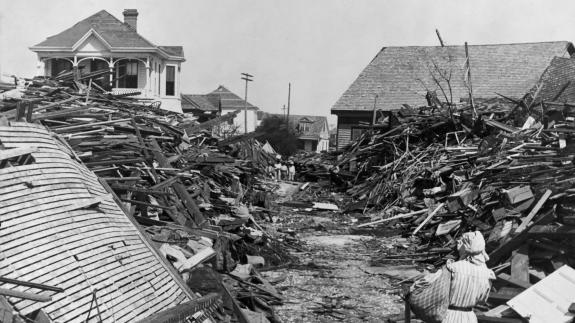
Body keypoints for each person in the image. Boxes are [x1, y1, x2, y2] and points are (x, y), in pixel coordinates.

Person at [443, 231, 495, 323]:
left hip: (450, 316)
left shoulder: (454, 267)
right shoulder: (487, 273)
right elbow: (482, 301)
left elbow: (442, 293)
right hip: (469, 317)